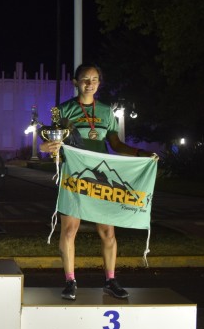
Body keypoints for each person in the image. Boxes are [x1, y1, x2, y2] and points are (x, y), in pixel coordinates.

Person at [40, 63, 158, 301]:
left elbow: (115, 144)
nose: (89, 83)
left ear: (99, 83)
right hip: (74, 177)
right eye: (84, 79)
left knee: (107, 231)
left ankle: (110, 280)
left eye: (94, 80)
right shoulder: (63, 111)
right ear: (75, 82)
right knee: (69, 230)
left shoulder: (105, 111)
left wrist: (140, 153)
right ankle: (70, 281)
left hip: (100, 179)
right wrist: (45, 147)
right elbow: (52, 143)